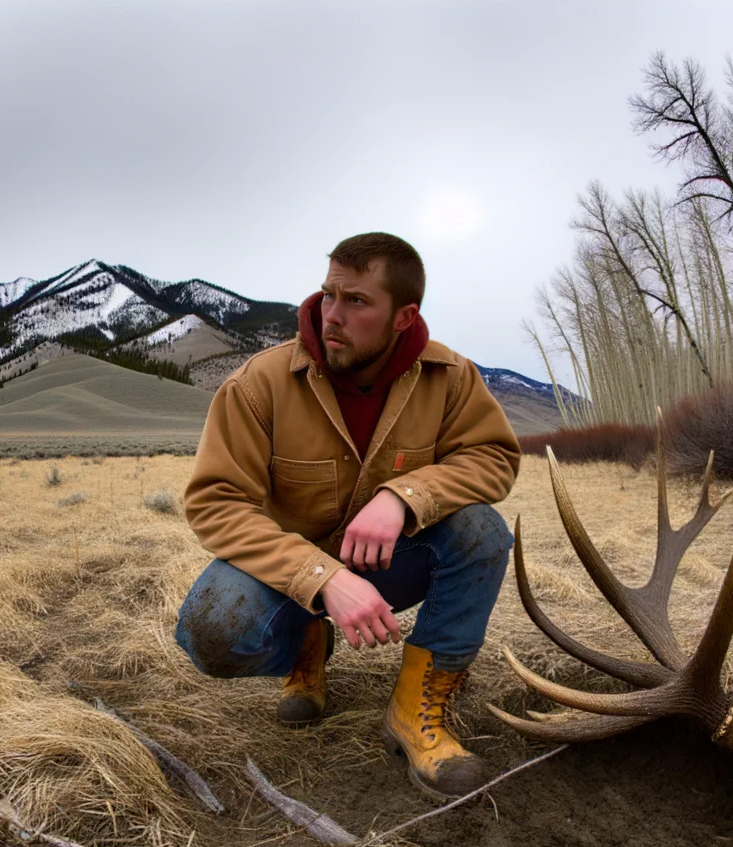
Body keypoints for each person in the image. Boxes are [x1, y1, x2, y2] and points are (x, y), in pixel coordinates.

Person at [175, 232, 521, 800]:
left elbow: (493, 458)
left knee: (481, 532)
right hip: (288, 573)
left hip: (393, 561)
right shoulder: (258, 385)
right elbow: (216, 503)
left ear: (404, 316)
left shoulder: (451, 378)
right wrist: (323, 579)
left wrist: (403, 497)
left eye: (357, 301)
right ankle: (307, 644)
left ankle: (416, 708)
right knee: (211, 633)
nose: (331, 314)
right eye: (328, 293)